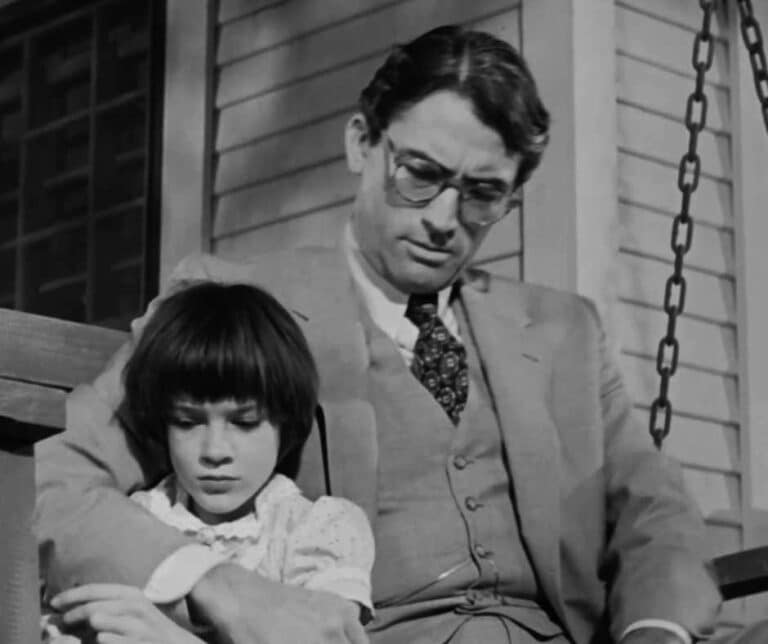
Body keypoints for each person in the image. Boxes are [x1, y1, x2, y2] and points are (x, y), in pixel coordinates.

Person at [35, 24, 768, 644]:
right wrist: (220, 588)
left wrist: (654, 633)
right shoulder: (233, 301)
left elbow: (654, 510)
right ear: (362, 144)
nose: (445, 219)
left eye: (482, 194)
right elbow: (54, 479)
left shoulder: (563, 332)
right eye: (420, 174)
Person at [40, 282, 374, 643]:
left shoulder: (319, 530)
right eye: (187, 422)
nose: (215, 451)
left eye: (244, 423)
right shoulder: (139, 516)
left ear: (286, 422)